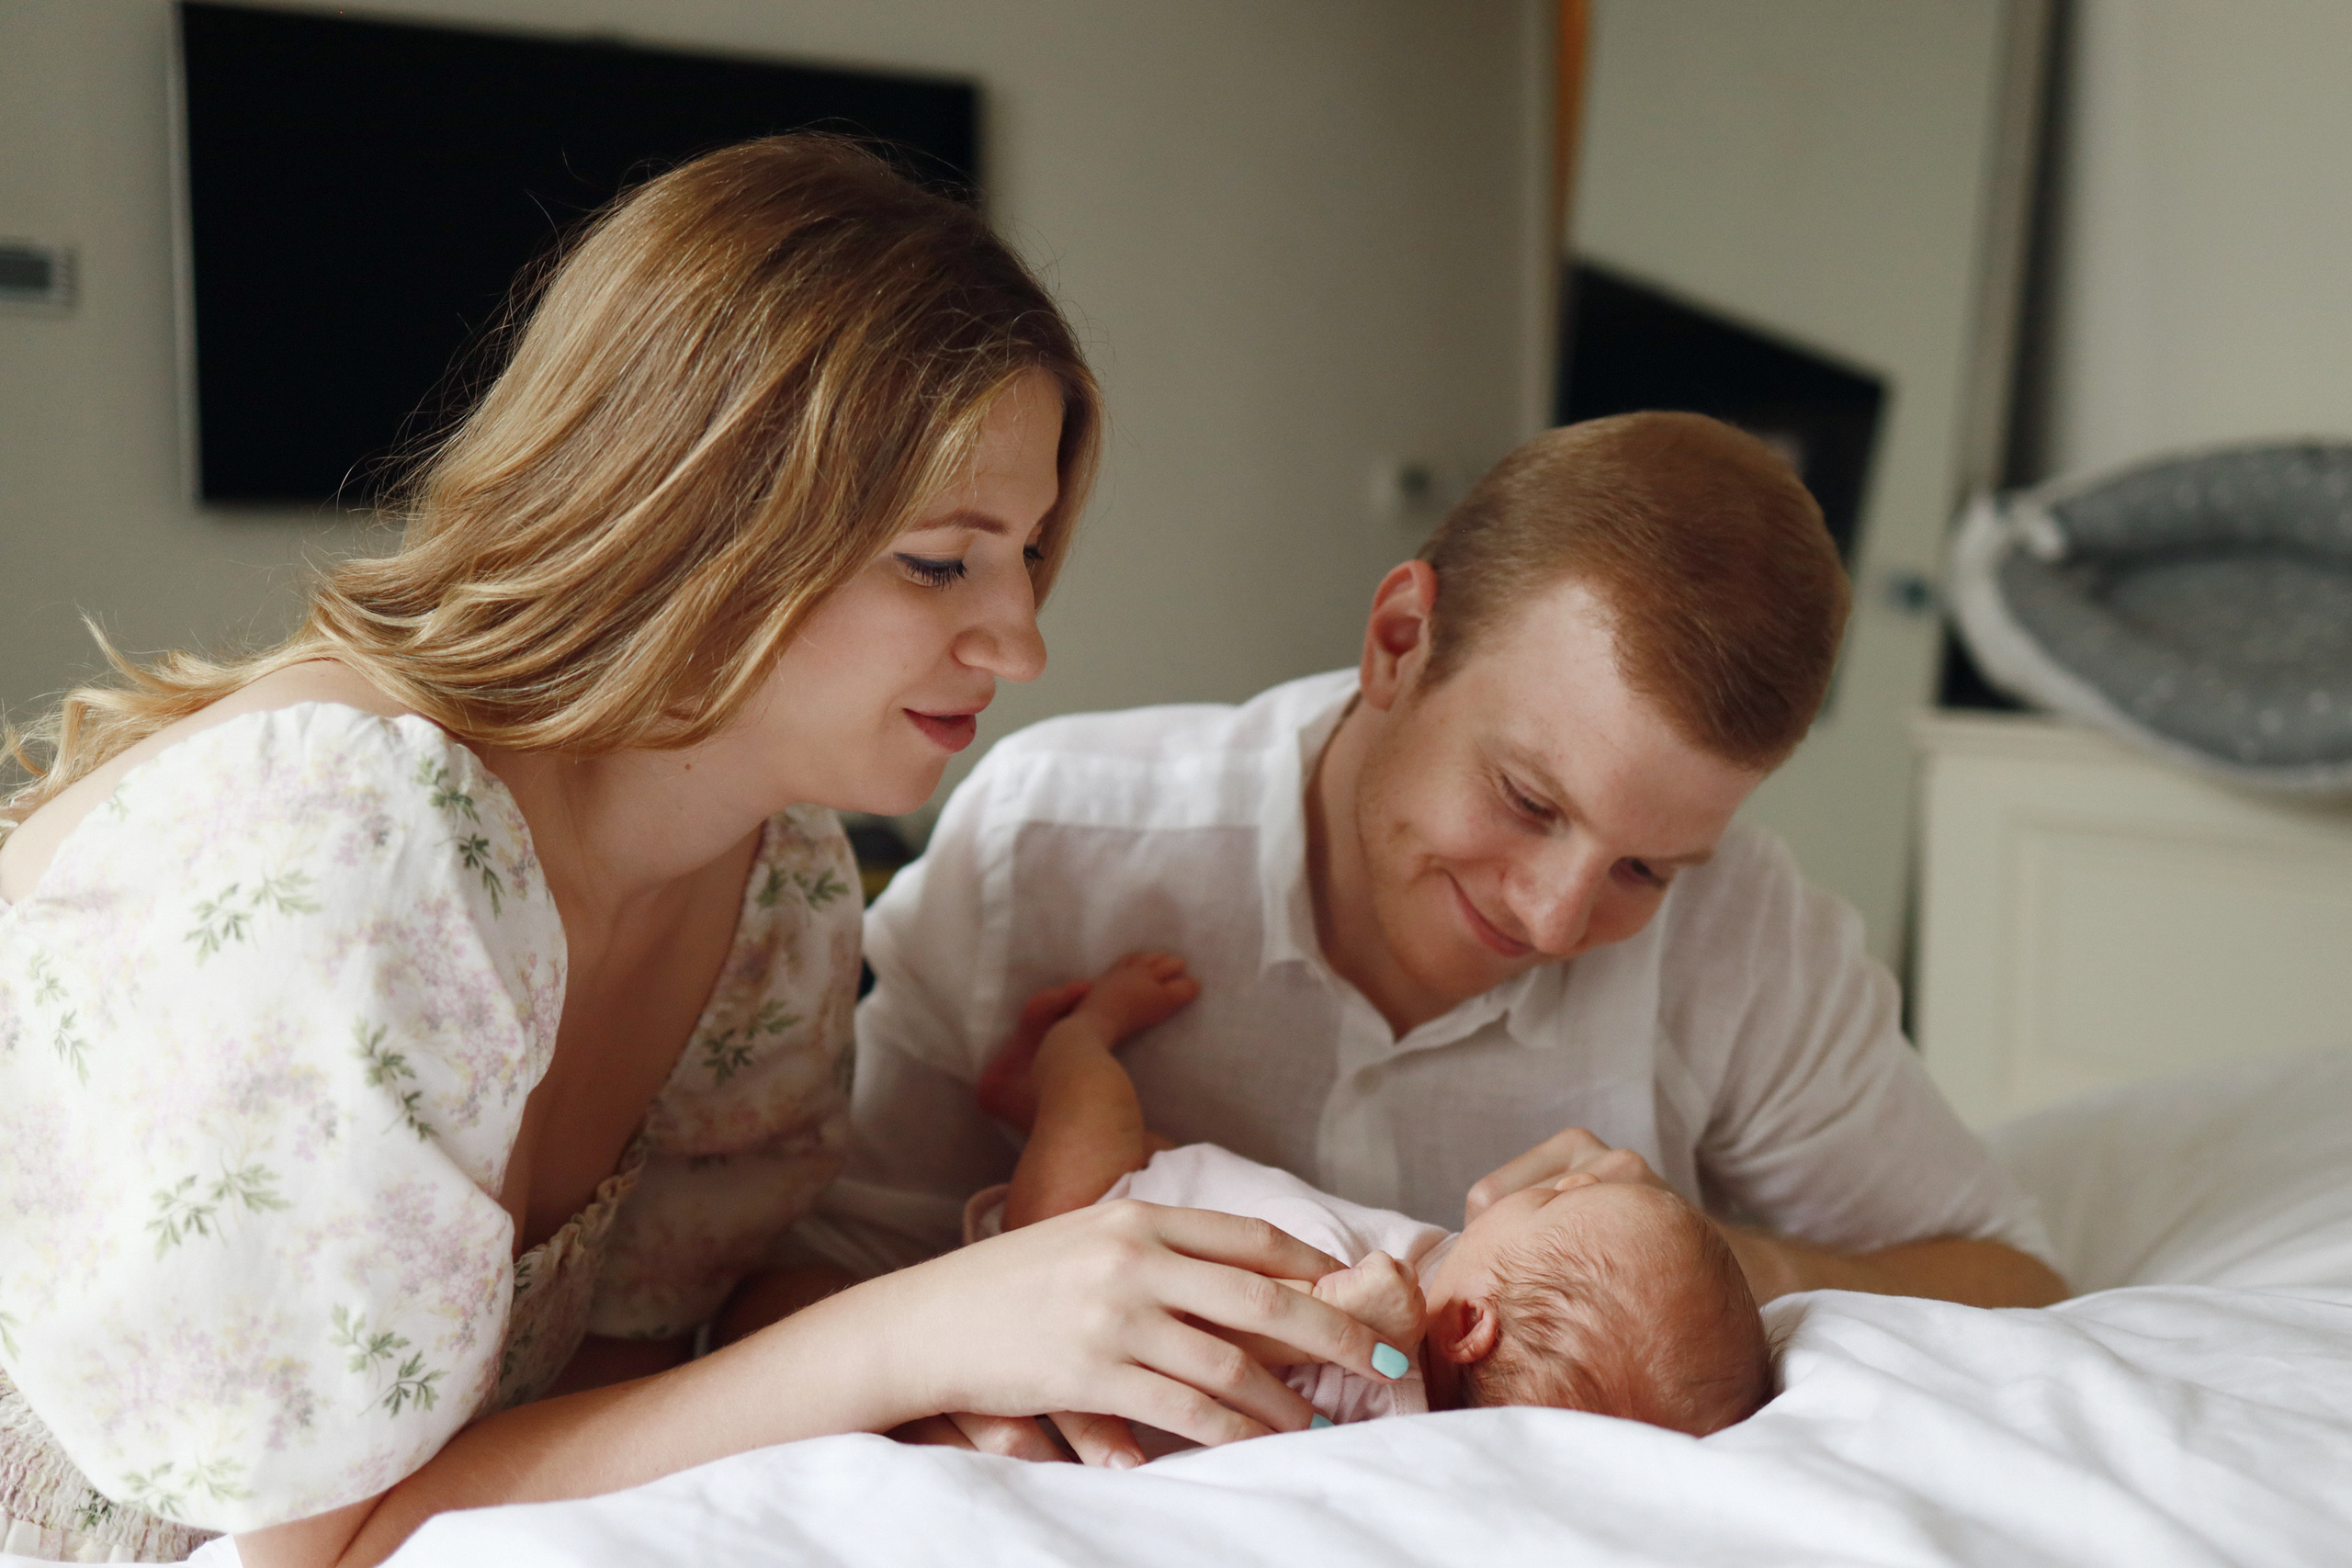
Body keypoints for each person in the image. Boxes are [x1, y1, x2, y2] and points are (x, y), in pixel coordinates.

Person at [0, 136, 1399, 1568]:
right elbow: (310, 1552)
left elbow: (632, 1371)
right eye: (939, 560)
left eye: (1029, 555)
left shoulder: (779, 884)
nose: (1023, 642)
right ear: (705, 510)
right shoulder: (349, 835)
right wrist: (914, 1334)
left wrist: (985, 1373)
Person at [821, 411, 2069, 1461]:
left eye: (1645, 866)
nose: (1554, 916)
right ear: (1398, 641)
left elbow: (2020, 1284)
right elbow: (807, 1277)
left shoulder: (1747, 933)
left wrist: (1719, 1261)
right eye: (1529, 801)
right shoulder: (1057, 838)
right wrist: (962, 1415)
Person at [968, 951, 1770, 1437]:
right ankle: (1032, 1114)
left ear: (1468, 1325)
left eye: (1555, 1199)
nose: (1571, 1174)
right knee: (1173, 1158)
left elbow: (1218, 1349)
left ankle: (1070, 1041)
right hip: (1173, 1193)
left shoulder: (1377, 1386)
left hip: (1073, 1233)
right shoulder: (1451, 1299)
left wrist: (1336, 1314)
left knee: (1094, 1102)